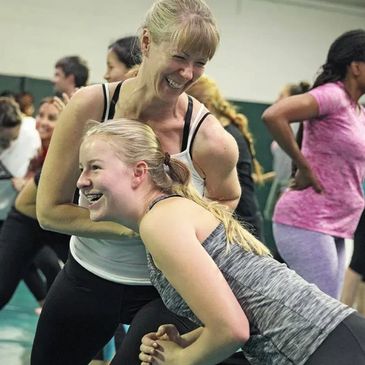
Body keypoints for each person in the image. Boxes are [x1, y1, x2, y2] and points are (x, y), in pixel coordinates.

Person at [34, 1, 241, 364]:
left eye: (201, 62)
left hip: (164, 293)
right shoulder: (89, 106)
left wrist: (178, 239)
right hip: (87, 277)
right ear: (146, 43)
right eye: (180, 56)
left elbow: (227, 199)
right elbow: (49, 212)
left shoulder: (211, 139)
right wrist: (139, 230)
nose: (189, 72)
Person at [77, 118, 365, 365]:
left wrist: (179, 360)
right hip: (332, 342)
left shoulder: (160, 222)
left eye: (94, 167)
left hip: (327, 347)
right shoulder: (166, 214)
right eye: (82, 169)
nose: (81, 180)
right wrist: (186, 342)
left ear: (138, 172)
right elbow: (250, 310)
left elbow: (233, 330)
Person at [262, 29, 365, 299]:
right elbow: (274, 115)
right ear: (356, 67)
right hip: (307, 219)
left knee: (326, 307)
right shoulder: (333, 95)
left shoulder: (358, 111)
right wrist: (304, 167)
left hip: (339, 223)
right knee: (324, 310)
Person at [0, 97, 69, 313]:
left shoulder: (66, 152)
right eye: (41, 115)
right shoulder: (39, 151)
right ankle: (44, 302)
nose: (42, 122)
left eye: (52, 118)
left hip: (57, 224)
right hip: (28, 220)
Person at [187, 74, 265, 240]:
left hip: (240, 226)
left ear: (203, 105)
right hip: (237, 221)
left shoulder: (220, 138)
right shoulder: (222, 132)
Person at [263, 81, 310, 222]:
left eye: (281, 96)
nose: (277, 100)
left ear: (291, 100)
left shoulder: (299, 128)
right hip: (282, 187)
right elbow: (285, 166)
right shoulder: (287, 125)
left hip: (293, 192)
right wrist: (262, 178)